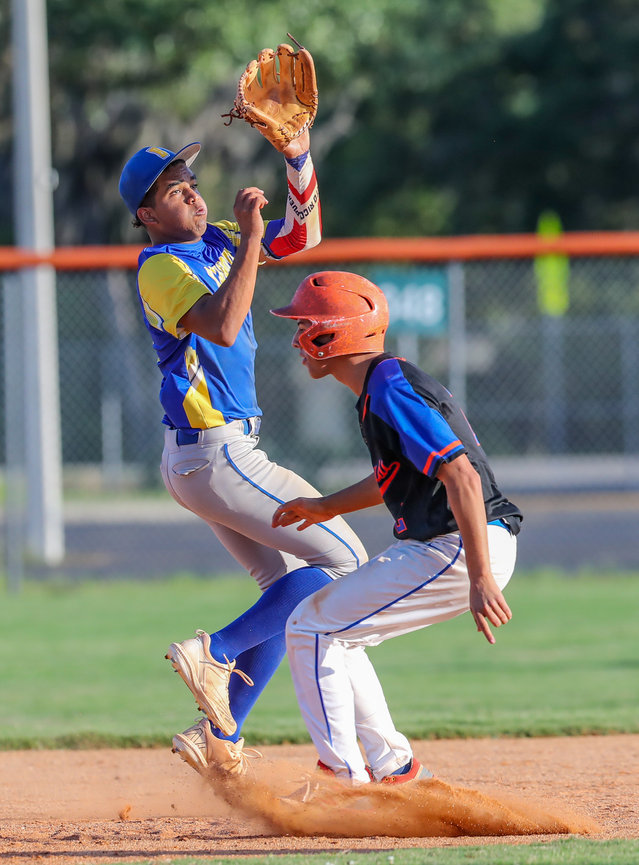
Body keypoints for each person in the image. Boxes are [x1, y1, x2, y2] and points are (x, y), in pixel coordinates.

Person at [117, 136, 367, 777]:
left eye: (191, 183)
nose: (193, 195)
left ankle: (217, 735)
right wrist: (250, 239)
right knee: (343, 562)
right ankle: (215, 650)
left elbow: (302, 238)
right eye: (175, 191)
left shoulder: (219, 239)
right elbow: (224, 325)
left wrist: (299, 156)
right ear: (147, 215)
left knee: (287, 588)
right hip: (215, 453)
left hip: (215, 456)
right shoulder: (159, 265)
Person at [270, 271, 523, 786]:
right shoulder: (384, 383)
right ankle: (394, 767)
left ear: (330, 336)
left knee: (309, 628)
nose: (297, 338)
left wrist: (479, 577)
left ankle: (342, 780)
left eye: (304, 326)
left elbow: (461, 475)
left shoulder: (388, 387)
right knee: (338, 635)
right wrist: (325, 506)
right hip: (459, 543)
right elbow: (394, 477)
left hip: (459, 545)